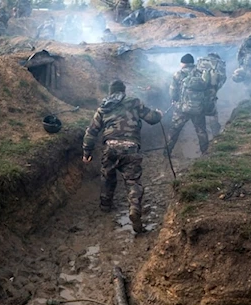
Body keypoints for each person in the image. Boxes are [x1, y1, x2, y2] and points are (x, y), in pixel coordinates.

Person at [82, 80, 163, 233]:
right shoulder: (134, 102)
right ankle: (134, 208)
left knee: (107, 176)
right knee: (132, 181)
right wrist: (159, 114)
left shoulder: (103, 108)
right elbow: (152, 119)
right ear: (123, 91)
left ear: (110, 92)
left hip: (110, 147)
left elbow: (91, 132)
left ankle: (105, 206)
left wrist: (87, 152)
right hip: (131, 147)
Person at [167, 54, 209, 156]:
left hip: (182, 108)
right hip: (198, 108)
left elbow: (173, 92)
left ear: (183, 63)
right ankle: (205, 152)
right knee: (201, 131)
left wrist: (175, 100)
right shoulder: (201, 74)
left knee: (174, 130)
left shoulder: (178, 74)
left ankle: (167, 152)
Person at [196, 52, 227, 137]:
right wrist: (215, 90)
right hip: (210, 92)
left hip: (197, 92)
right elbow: (222, 79)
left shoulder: (200, 62)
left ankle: (201, 134)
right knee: (212, 114)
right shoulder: (219, 63)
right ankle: (216, 135)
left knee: (198, 113)